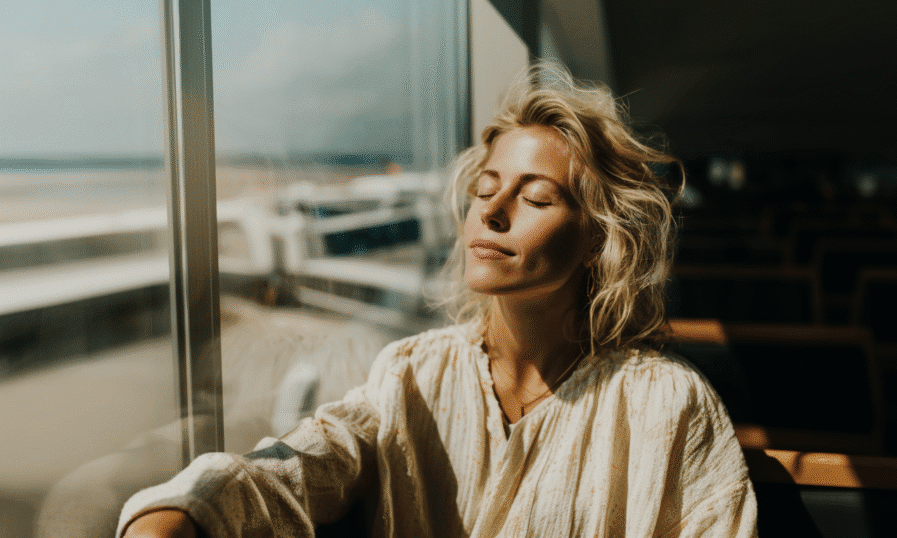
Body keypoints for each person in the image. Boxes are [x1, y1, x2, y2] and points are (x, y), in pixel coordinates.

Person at [118, 65, 757, 538]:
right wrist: (180, 514)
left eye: (536, 199)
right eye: (485, 190)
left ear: (598, 238)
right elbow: (302, 464)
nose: (494, 213)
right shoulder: (411, 374)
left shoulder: (666, 404)